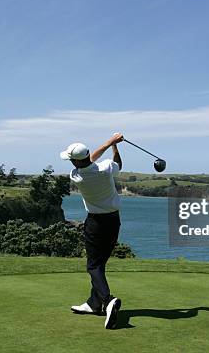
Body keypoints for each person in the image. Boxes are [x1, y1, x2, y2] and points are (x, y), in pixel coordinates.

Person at [60, 133, 124, 329]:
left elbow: (87, 162)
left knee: (93, 266)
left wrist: (109, 142)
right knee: (100, 264)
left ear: (75, 162)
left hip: (95, 223)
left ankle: (107, 300)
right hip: (114, 221)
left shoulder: (76, 176)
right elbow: (117, 165)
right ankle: (93, 303)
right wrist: (114, 145)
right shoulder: (106, 168)